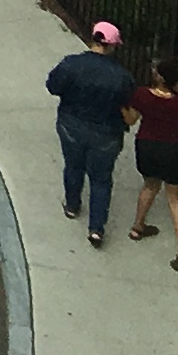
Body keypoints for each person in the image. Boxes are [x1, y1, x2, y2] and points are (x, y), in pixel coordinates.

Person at [48, 19, 135, 246]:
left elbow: (53, 86)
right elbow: (129, 108)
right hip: (106, 135)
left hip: (71, 126)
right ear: (112, 46)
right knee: (101, 180)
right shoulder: (122, 77)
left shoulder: (71, 64)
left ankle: (72, 206)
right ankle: (96, 228)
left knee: (73, 165)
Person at [128, 55, 178, 271]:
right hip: (173, 150)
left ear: (158, 76)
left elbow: (130, 119)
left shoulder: (141, 95)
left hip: (147, 146)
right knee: (175, 199)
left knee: (150, 185)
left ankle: (137, 227)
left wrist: (122, 107)